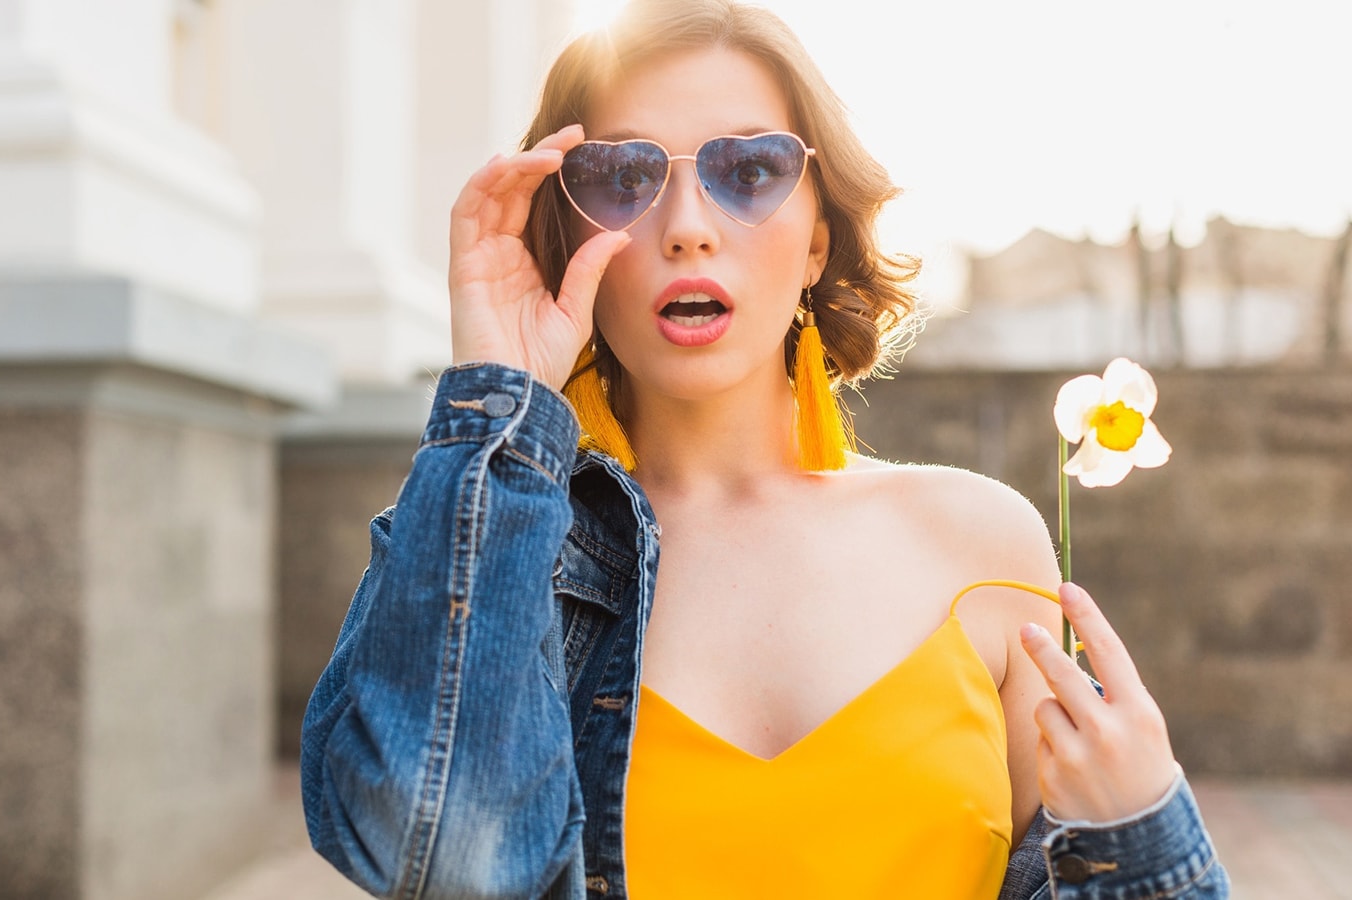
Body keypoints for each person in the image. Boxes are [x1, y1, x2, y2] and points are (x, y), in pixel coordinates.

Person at [300, 1, 1229, 897]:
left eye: (747, 171)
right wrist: (502, 403)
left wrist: (1144, 830)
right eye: (624, 178)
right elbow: (438, 861)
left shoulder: (984, 546)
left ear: (819, 241)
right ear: (567, 233)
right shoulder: (501, 549)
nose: (687, 225)